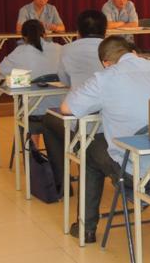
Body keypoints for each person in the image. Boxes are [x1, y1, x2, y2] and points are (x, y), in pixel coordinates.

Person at [60, 35, 150, 243]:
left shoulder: (105, 78)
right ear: (133, 52)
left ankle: (86, 228)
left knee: (89, 148)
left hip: (139, 173)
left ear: (106, 63)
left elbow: (66, 108)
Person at [42, 10, 107, 196]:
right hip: (110, 118)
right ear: (105, 30)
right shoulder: (113, 49)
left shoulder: (68, 49)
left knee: (49, 122)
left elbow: (64, 79)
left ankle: (63, 184)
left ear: (78, 31)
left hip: (80, 119)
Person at [0, 19, 63, 138]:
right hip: (60, 110)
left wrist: (23, 74)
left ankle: (32, 148)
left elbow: (1, 69)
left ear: (23, 37)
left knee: (29, 102)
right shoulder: (59, 48)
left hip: (34, 111)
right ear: (45, 34)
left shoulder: (20, 51)